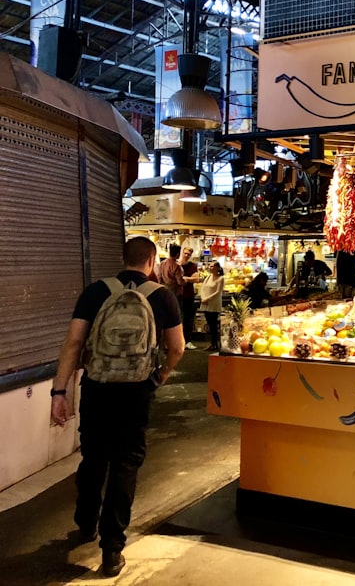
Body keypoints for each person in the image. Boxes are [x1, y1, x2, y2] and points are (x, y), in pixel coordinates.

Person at [50, 236, 184, 578]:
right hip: (137, 392)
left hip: (98, 388)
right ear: (152, 261)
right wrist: (160, 377)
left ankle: (85, 522)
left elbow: (73, 343)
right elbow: (178, 348)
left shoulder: (95, 292)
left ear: (122, 258)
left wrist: (59, 392)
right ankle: (112, 549)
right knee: (125, 464)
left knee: (94, 456)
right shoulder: (162, 296)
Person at [159, 244, 200, 349]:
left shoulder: (162, 264)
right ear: (178, 253)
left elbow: (159, 279)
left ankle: (165, 342)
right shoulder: (177, 266)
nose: (186, 255)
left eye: (188, 254)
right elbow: (181, 282)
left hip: (165, 293)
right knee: (178, 318)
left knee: (166, 317)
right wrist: (185, 280)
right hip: (177, 295)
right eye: (184, 253)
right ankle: (177, 342)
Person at [199, 262, 225, 352]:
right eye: (210, 266)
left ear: (218, 268)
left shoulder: (221, 278)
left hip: (214, 304)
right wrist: (203, 297)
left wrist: (207, 299)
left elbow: (218, 292)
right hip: (206, 303)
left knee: (213, 324)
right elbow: (203, 288)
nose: (210, 268)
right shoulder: (208, 277)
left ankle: (215, 343)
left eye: (213, 266)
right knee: (210, 323)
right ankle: (212, 343)